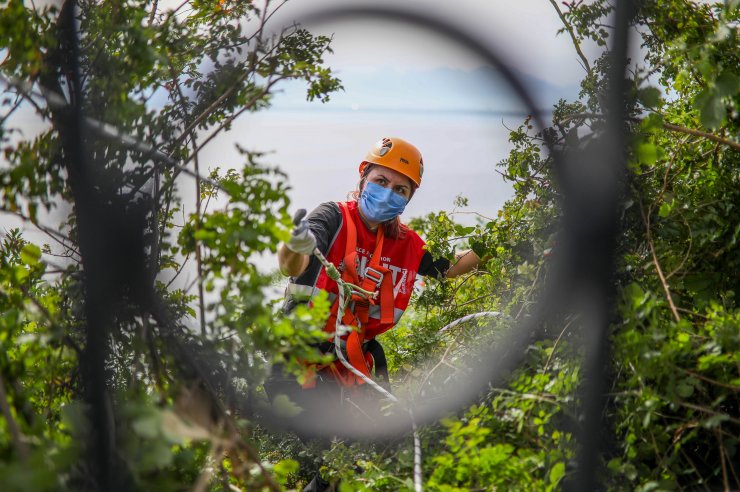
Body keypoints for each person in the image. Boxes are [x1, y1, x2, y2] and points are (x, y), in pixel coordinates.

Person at [269, 137, 481, 491]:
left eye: (400, 189)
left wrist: (506, 242)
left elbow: (449, 268)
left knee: (370, 453)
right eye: (381, 182)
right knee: (340, 459)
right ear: (363, 177)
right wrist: (294, 245)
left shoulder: (405, 244)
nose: (388, 193)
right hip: (299, 364)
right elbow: (295, 263)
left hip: (353, 366)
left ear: (408, 199)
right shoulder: (333, 217)